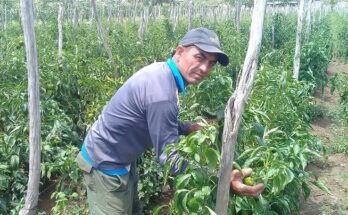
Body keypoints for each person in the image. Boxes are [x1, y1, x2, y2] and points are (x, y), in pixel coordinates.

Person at [76, 27, 265, 215]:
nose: (205, 68)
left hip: (122, 158)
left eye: (211, 63)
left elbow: (154, 121)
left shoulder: (163, 73)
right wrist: (222, 177)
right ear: (180, 51)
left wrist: (188, 127)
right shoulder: (162, 94)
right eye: (199, 57)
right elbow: (170, 160)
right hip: (104, 164)